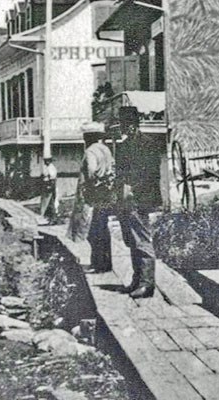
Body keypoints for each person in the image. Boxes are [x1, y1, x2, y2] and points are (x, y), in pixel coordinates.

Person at [113, 106, 158, 298]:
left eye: (124, 124)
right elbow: (120, 174)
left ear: (132, 125)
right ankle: (137, 279)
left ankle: (147, 284)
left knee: (142, 241)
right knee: (131, 241)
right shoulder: (123, 146)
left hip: (141, 200)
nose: (122, 128)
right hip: (125, 201)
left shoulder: (149, 144)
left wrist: (133, 189)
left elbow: (151, 174)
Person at [80, 122, 118, 273]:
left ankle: (98, 263)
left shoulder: (90, 151)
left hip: (94, 194)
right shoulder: (106, 150)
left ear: (88, 137)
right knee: (103, 228)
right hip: (107, 193)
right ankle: (106, 263)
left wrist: (89, 185)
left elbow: (91, 171)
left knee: (93, 230)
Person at [39, 156, 59, 222]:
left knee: (51, 203)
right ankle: (49, 218)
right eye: (45, 160)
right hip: (46, 185)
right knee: (47, 203)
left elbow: (52, 179)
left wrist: (49, 186)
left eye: (47, 160)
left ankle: (53, 219)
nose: (45, 162)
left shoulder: (51, 168)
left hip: (50, 186)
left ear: (49, 161)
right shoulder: (47, 167)